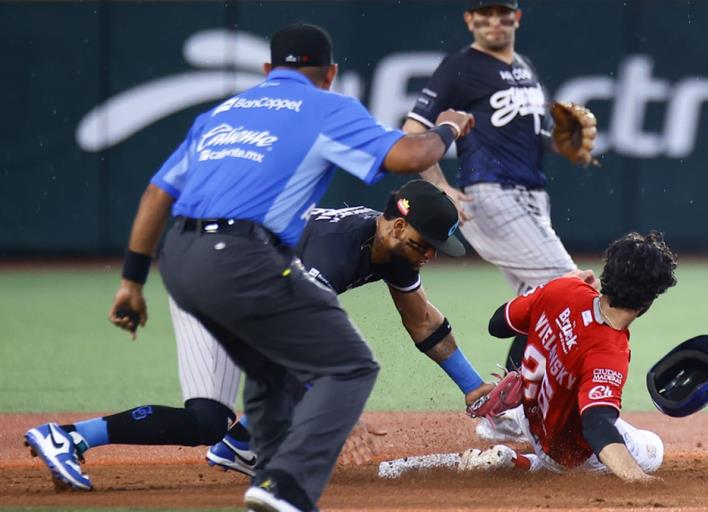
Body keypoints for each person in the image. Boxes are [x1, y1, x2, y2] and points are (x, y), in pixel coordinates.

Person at [23, 22, 473, 512]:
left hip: (181, 259)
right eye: (425, 242)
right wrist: (447, 125)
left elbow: (158, 192)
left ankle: (72, 437)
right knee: (345, 364)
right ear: (332, 74)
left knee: (206, 419)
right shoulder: (326, 117)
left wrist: (132, 280)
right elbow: (411, 154)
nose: (427, 254)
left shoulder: (221, 115)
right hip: (244, 259)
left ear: (266, 70)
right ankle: (285, 482)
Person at [202, 179, 493, 475]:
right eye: (427, 244)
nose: (431, 255)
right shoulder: (334, 250)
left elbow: (423, 323)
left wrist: (473, 387)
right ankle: (245, 443)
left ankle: (243, 442)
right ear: (399, 227)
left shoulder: (395, 247)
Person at [401, 0, 585, 376]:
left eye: (503, 14)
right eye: (484, 14)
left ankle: (509, 410)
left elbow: (533, 137)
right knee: (574, 292)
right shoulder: (461, 67)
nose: (494, 22)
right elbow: (412, 134)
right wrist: (440, 185)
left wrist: (561, 145)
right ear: (470, 20)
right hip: (491, 195)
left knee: (540, 305)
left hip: (533, 198)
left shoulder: (524, 67)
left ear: (516, 18)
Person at [459, 231, 677, 482]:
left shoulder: (565, 288)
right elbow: (596, 424)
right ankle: (520, 462)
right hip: (562, 452)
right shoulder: (608, 351)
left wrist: (557, 284)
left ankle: (512, 432)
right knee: (653, 448)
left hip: (528, 415)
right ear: (647, 301)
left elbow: (497, 325)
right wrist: (635, 476)